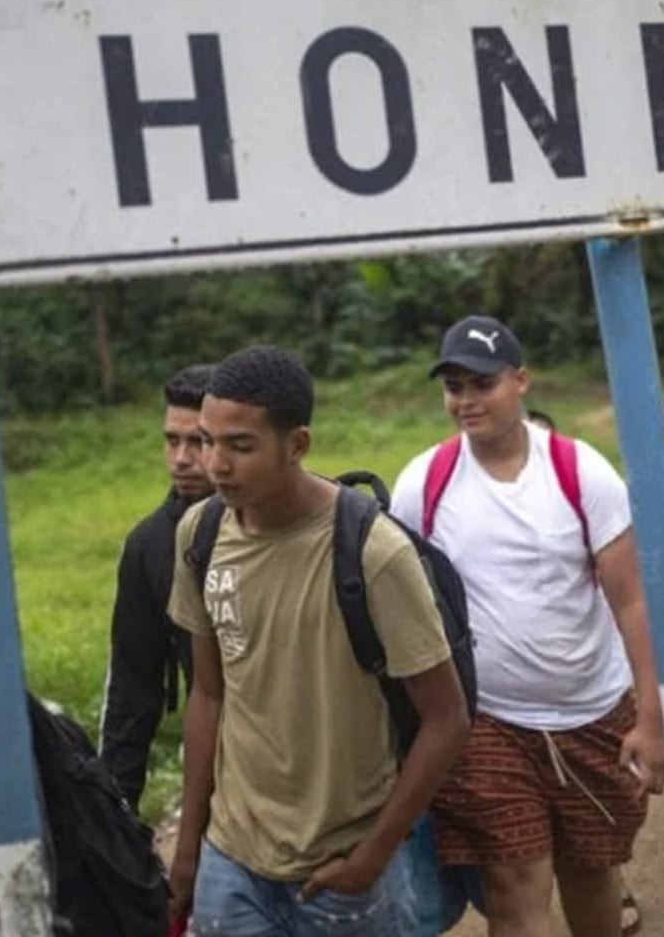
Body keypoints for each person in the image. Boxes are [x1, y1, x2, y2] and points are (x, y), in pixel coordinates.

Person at [167, 346, 469, 936]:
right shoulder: (198, 536)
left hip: (341, 868)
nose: (216, 464)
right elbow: (208, 696)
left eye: (241, 446)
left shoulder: (372, 552)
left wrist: (374, 855)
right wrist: (188, 851)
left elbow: (447, 718)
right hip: (232, 858)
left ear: (297, 444)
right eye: (207, 440)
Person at [390, 316, 664, 937]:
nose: (465, 401)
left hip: (593, 714)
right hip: (486, 720)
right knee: (515, 885)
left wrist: (650, 720)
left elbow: (631, 602)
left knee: (592, 874)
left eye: (481, 384)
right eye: (454, 387)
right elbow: (404, 606)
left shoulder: (581, 472)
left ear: (520, 382)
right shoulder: (422, 484)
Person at [100, 362, 216, 809]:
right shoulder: (150, 546)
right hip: (216, 781)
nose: (182, 459)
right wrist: (116, 812)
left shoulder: (289, 525)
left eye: (198, 441)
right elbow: (132, 688)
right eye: (172, 441)